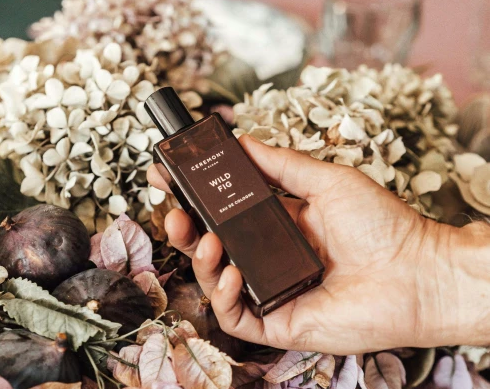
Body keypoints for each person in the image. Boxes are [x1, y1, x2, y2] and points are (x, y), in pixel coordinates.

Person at [147, 134, 490, 355]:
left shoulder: (213, 135)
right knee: (205, 243)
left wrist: (425, 254)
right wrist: (435, 273)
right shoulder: (187, 149)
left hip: (314, 267)